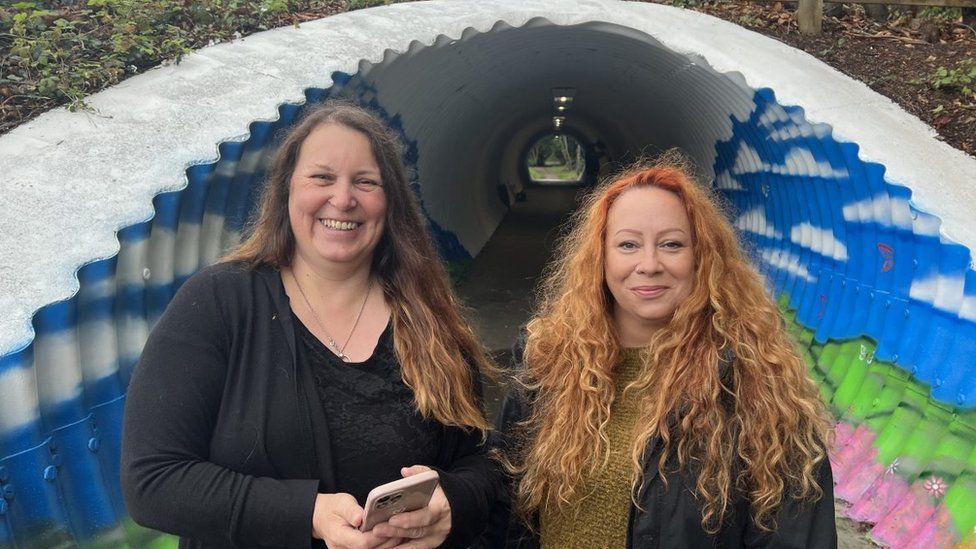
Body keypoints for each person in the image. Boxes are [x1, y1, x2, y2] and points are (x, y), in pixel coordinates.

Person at [121, 101, 499, 549]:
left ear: (391, 202)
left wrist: (452, 503)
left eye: (366, 182)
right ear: (286, 191)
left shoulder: (428, 317)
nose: (342, 199)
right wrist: (308, 512)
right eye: (322, 178)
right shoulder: (219, 302)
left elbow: (481, 465)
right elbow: (154, 480)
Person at [494, 155, 836, 548]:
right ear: (600, 258)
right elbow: (503, 505)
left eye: (671, 244)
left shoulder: (757, 381)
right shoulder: (548, 361)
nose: (649, 264)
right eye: (628, 244)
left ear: (702, 256)